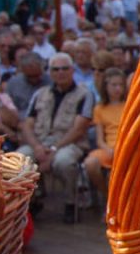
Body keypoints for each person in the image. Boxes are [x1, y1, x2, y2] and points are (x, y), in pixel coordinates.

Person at [16, 52, 95, 223]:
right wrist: (37, 147)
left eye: (64, 68)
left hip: (69, 143)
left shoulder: (84, 94)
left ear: (72, 70)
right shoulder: (40, 94)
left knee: (63, 161)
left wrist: (53, 149)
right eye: (55, 69)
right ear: (50, 72)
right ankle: (32, 199)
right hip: (40, 141)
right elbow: (27, 125)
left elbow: (79, 129)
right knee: (20, 158)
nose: (60, 72)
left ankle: (70, 203)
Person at [83, 68, 127, 207]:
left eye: (120, 85)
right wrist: (107, 149)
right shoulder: (99, 108)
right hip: (109, 147)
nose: (117, 88)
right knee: (90, 164)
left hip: (126, 148)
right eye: (114, 85)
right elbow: (100, 139)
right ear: (106, 86)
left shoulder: (129, 105)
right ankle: (109, 198)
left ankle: (117, 205)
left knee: (114, 173)